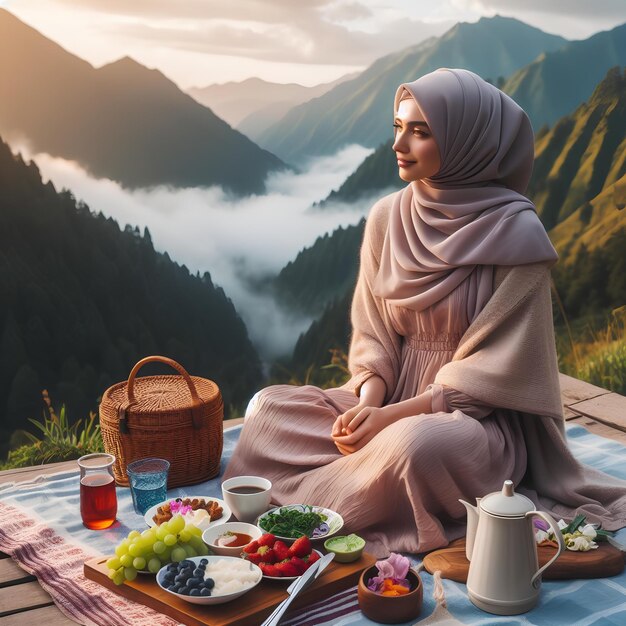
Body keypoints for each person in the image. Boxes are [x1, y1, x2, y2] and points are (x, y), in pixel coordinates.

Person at [223, 68, 626, 557]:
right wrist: (366, 403)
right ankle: (357, 484)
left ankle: (335, 500)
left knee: (414, 446)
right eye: (398, 126)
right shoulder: (386, 218)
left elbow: (490, 376)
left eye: (420, 131)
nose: (399, 143)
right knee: (268, 410)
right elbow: (373, 337)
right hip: (388, 395)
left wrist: (391, 417)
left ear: (466, 143)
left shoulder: (517, 236)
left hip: (471, 423)